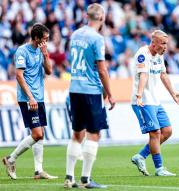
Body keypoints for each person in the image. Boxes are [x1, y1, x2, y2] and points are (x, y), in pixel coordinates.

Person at [64, 3, 115, 189]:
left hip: (74, 88)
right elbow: (102, 70)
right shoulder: (97, 38)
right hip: (91, 90)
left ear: (87, 16)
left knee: (77, 134)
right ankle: (85, 179)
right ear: (101, 17)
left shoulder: (75, 34)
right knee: (94, 134)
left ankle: (69, 178)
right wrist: (110, 94)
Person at [2, 23, 58, 180]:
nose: (47, 42)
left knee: (41, 134)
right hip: (28, 98)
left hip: (39, 97)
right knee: (37, 133)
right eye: (45, 39)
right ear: (36, 38)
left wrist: (45, 54)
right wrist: (30, 97)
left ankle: (38, 171)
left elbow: (49, 71)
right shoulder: (22, 51)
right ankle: (11, 159)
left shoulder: (41, 51)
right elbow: (19, 76)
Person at [131, 30, 179, 176]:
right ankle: (159, 169)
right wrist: (139, 95)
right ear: (153, 42)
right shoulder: (143, 54)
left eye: (166, 43)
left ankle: (140, 156)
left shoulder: (159, 56)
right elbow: (144, 75)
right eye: (163, 43)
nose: (166, 47)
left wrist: (173, 94)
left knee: (167, 131)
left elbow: (163, 75)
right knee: (155, 132)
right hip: (143, 100)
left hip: (155, 101)